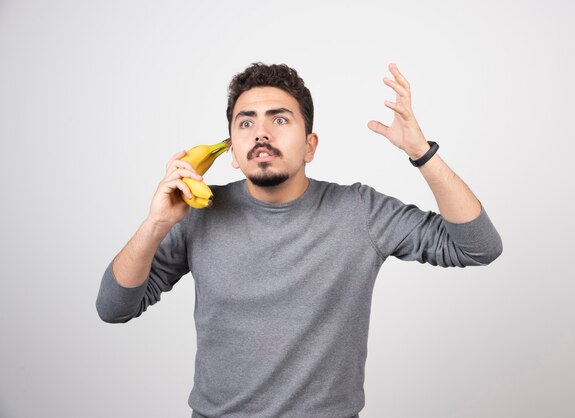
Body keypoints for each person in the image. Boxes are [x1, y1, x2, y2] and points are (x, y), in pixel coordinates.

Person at [96, 62, 503, 418]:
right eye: (246, 122)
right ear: (232, 152)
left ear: (310, 146)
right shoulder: (197, 213)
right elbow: (114, 308)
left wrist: (421, 152)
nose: (260, 133)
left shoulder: (360, 210)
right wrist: (155, 223)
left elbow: (479, 246)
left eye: (279, 119)